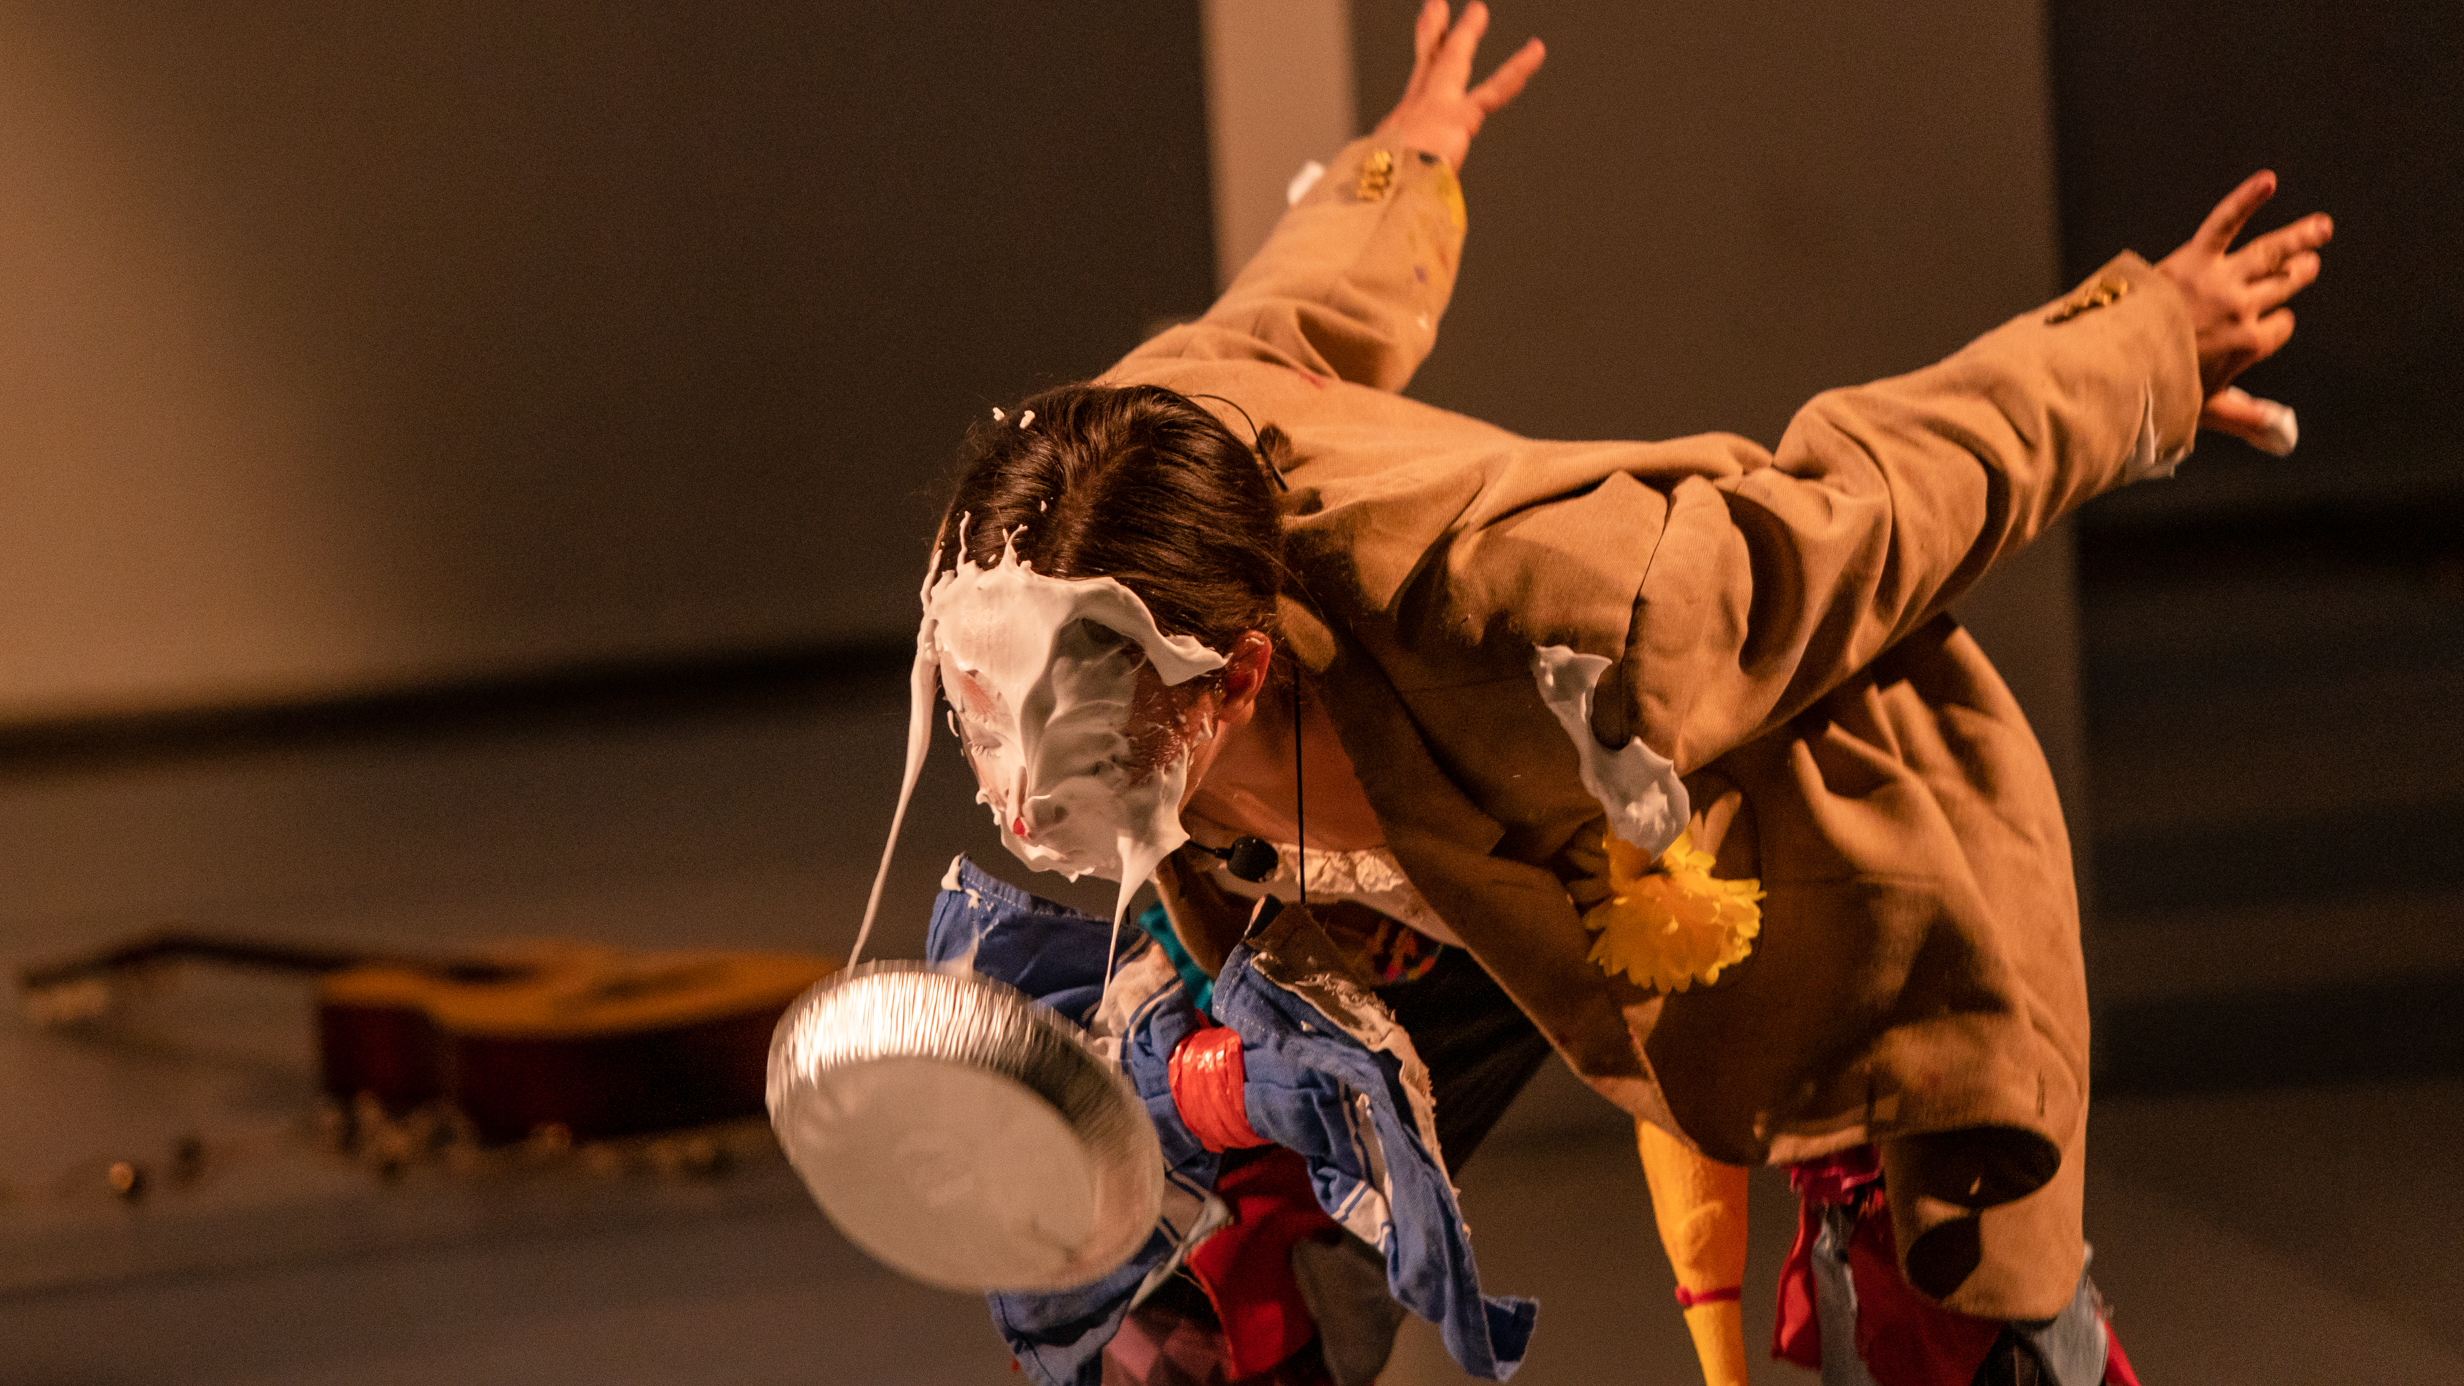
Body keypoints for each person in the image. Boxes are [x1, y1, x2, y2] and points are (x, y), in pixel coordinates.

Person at [909, 3, 2332, 1382]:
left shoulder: (1562, 609)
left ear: (1241, 671)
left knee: (1949, 1319)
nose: (1022, 789)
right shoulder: (1106, 482)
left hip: (1779, 852)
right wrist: (1411, 151)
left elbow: (1872, 497)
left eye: (1085, 735)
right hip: (1422, 892)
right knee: (1185, 1276)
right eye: (979, 706)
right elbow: (1297, 303)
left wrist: (2146, 344)